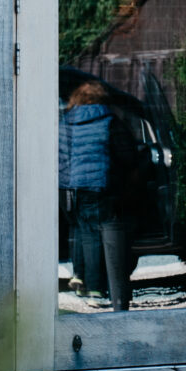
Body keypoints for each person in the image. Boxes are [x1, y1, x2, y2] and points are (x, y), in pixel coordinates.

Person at [58, 79, 130, 310]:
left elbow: (60, 156)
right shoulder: (109, 120)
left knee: (86, 232)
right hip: (101, 185)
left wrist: (64, 183)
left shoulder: (65, 122)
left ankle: (89, 282)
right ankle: (100, 288)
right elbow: (126, 155)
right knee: (103, 235)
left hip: (72, 187)